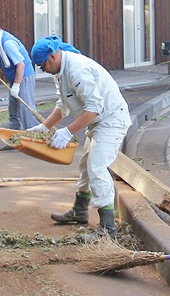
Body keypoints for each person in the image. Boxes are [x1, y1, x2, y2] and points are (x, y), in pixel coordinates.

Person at [28, 35, 131, 243]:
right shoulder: (61, 71)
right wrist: (44, 127)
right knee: (85, 165)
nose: (43, 70)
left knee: (97, 167)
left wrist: (67, 132)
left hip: (111, 120)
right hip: (98, 122)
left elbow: (94, 108)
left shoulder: (77, 69)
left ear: (53, 56)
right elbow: (63, 105)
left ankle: (108, 229)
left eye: (42, 65)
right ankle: (80, 210)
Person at [0, 20, 39, 151]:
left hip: (24, 76)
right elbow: (0, 59)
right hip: (15, 78)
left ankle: (37, 140)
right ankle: (15, 140)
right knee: (13, 109)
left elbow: (21, 65)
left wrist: (17, 86)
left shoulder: (7, 43)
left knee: (25, 108)